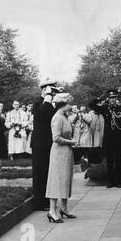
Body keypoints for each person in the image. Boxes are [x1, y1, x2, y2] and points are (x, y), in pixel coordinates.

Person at [45, 93, 76, 223]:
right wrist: (71, 142)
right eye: (69, 104)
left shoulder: (64, 117)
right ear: (63, 104)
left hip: (66, 152)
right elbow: (56, 138)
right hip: (59, 154)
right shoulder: (57, 117)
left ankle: (63, 208)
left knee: (65, 179)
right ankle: (52, 211)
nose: (71, 106)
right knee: (56, 180)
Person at [89, 88, 121, 188]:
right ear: (108, 99)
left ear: (117, 98)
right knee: (109, 160)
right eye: (110, 98)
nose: (112, 100)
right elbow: (91, 105)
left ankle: (118, 181)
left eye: (114, 97)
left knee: (118, 160)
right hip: (108, 138)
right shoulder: (104, 108)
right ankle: (110, 181)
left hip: (118, 138)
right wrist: (100, 97)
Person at [31, 80, 58, 211]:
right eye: (51, 90)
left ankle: (47, 200)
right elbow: (41, 114)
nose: (53, 92)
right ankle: (39, 202)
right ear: (44, 89)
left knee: (47, 173)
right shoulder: (38, 102)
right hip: (39, 144)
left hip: (48, 142)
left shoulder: (50, 103)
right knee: (40, 173)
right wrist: (47, 98)